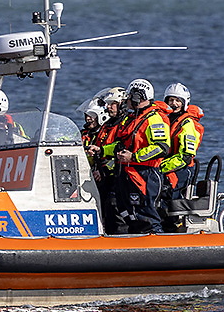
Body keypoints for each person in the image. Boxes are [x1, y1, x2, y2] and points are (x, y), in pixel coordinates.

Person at [112, 78, 171, 234]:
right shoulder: (133, 118)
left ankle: (158, 244)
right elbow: (122, 143)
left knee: (146, 214)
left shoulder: (154, 119)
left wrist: (134, 157)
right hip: (129, 173)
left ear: (138, 96)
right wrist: (101, 150)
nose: (127, 100)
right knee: (130, 214)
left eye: (130, 96)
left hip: (146, 174)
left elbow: (161, 147)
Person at [158, 82, 205, 231]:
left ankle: (173, 226)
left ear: (184, 103)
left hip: (180, 168)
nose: (174, 104)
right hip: (167, 165)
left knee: (168, 195)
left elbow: (185, 156)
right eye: (170, 100)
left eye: (178, 100)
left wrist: (161, 168)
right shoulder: (164, 120)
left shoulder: (187, 124)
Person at [85, 87, 127, 234]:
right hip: (104, 175)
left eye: (112, 104)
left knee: (115, 208)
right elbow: (103, 150)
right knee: (105, 209)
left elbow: (120, 151)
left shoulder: (123, 124)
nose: (109, 107)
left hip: (118, 175)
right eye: (108, 104)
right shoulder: (108, 125)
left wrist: (103, 170)